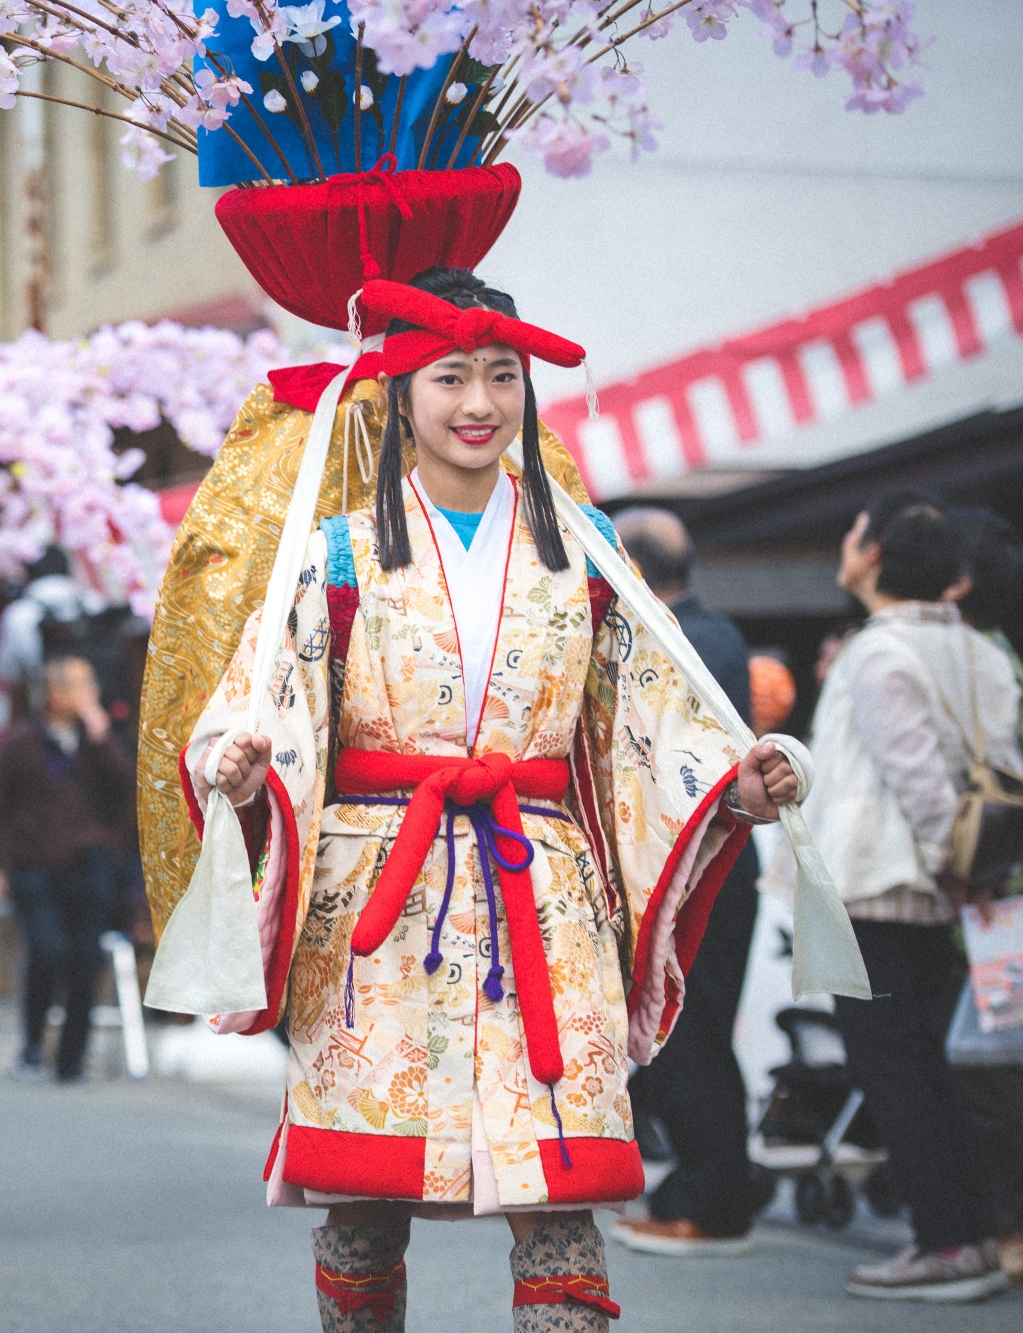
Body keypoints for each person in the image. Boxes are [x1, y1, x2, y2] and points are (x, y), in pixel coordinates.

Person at [180, 269, 802, 1333]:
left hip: (543, 900)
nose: (477, 403)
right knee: (367, 1205)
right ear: (397, 393)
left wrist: (731, 785)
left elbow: (647, 720)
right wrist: (238, 766)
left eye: (500, 375)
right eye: (449, 376)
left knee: (560, 1201)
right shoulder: (335, 552)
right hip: (376, 899)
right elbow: (254, 703)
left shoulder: (584, 553)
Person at [807, 492, 1016, 1302]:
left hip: (883, 881)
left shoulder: (878, 651)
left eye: (856, 532)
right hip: (949, 889)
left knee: (893, 1066)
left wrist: (945, 858)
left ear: (878, 555)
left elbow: (919, 781)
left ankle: (946, 1242)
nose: (848, 542)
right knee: (938, 1064)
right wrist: (972, 872)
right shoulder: (982, 651)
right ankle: (976, 1232)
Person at [607, 509, 763, 1257]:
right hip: (720, 858)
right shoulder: (719, 630)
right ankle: (705, 1186)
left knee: (690, 1031)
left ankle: (711, 1198)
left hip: (699, 859)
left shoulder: (672, 640)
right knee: (695, 1029)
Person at [0, 652, 135, 1081]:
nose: (91, 696)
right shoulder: (19, 742)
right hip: (35, 865)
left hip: (90, 864)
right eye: (81, 687)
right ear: (54, 692)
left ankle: (71, 1057)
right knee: (47, 951)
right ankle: (31, 1046)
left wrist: (103, 738)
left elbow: (126, 787)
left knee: (87, 959)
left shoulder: (98, 740)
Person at [945, 507, 1023, 1284]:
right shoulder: (996, 654)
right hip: (1000, 893)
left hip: (999, 896)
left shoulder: (981, 658)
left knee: (993, 1065)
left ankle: (1009, 1228)